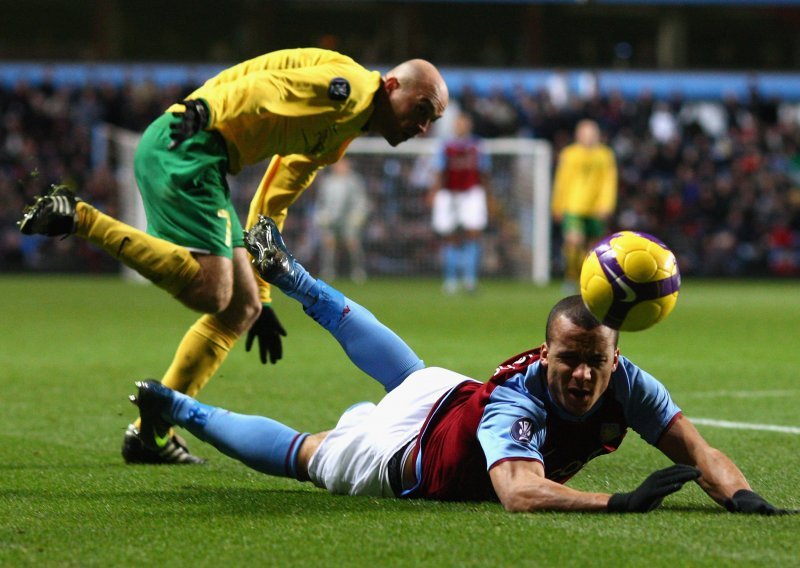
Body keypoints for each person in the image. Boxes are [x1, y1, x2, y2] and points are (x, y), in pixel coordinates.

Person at [130, 215, 793, 514]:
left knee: (412, 371)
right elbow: (520, 493)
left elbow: (698, 451)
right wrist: (617, 500)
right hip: (408, 459)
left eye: (596, 362)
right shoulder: (518, 402)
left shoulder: (627, 382)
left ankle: (296, 278)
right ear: (546, 353)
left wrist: (742, 497)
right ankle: (179, 407)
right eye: (569, 361)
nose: (584, 376)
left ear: (617, 356)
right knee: (310, 453)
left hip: (455, 399)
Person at [18, 48, 449, 464]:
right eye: (422, 109)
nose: (423, 125)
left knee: (239, 306)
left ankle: (151, 432)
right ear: (392, 85)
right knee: (212, 291)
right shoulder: (352, 88)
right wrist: (207, 109)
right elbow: (271, 86)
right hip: (191, 141)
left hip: (202, 155)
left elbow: (270, 202)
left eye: (432, 119)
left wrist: (262, 296)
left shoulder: (341, 131)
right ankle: (80, 218)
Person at [428, 111, 492, 294]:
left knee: (473, 233)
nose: (461, 127)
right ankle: (451, 280)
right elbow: (439, 171)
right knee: (450, 236)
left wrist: (488, 196)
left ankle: (470, 279)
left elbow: (484, 172)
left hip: (472, 192)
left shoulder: (478, 146)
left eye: (464, 123)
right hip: (449, 192)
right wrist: (434, 192)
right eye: (458, 123)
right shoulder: (445, 146)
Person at [551, 119, 618, 292]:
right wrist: (558, 204)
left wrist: (606, 205)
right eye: (585, 133)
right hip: (573, 206)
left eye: (592, 134)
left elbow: (609, 181)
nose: (588, 137)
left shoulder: (605, 155)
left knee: (593, 249)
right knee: (573, 242)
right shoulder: (569, 154)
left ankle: (588, 279)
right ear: (578, 135)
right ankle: (571, 277)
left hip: (596, 208)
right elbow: (561, 180)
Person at [312, 158, 369, 282]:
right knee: (328, 243)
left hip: (349, 218)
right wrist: (321, 215)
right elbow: (321, 202)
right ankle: (327, 271)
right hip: (331, 218)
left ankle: (358, 270)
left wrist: (359, 215)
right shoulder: (327, 182)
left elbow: (361, 200)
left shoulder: (354, 180)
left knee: (352, 243)